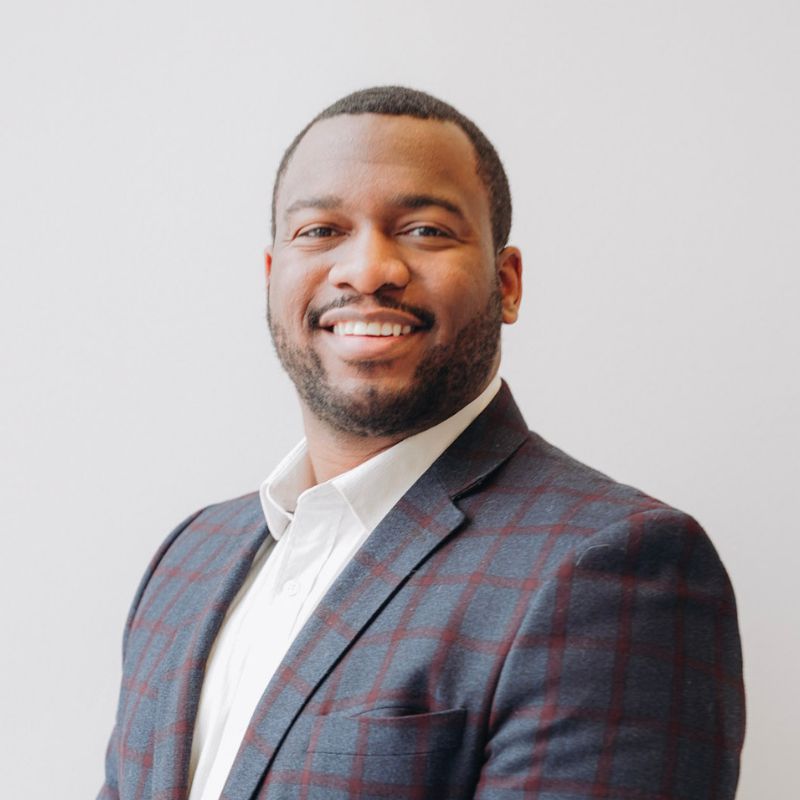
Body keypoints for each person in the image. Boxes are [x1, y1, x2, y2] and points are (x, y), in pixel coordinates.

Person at [99, 86, 745, 800]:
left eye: (426, 230)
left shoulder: (615, 569)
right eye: (319, 231)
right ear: (271, 274)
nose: (369, 269)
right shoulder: (190, 560)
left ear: (507, 283)